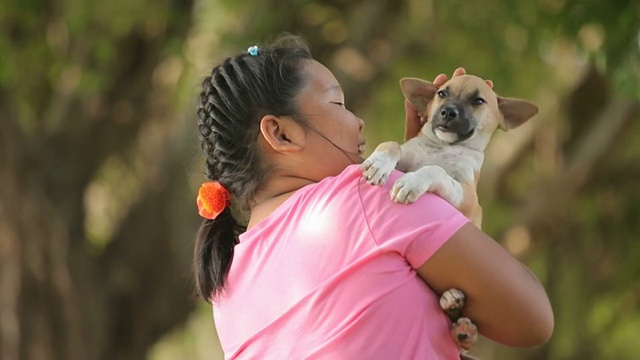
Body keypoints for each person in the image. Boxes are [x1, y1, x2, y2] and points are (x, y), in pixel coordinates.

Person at [193, 34, 553, 359]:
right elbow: (533, 319)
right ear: (281, 134)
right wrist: (426, 180)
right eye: (339, 104)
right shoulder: (369, 198)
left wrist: (416, 158)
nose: (359, 121)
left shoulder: (225, 290)